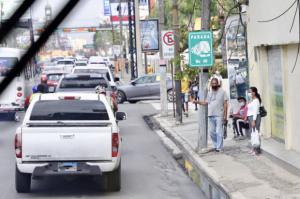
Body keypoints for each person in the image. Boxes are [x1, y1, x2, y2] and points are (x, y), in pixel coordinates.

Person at [194, 78, 228, 152]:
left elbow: (225, 105)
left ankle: (219, 147)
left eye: (215, 83)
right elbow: (206, 102)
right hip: (210, 115)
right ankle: (216, 145)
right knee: (212, 132)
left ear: (218, 83)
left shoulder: (223, 92)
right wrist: (196, 102)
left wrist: (225, 116)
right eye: (212, 83)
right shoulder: (209, 92)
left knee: (219, 131)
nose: (214, 85)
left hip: (219, 115)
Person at [247, 87, 262, 155]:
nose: (249, 93)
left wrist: (254, 120)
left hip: (254, 118)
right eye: (248, 92)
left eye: (250, 92)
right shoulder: (252, 100)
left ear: (254, 92)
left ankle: (257, 150)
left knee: (256, 133)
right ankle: (253, 148)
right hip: (250, 117)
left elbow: (255, 111)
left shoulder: (256, 100)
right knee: (252, 134)